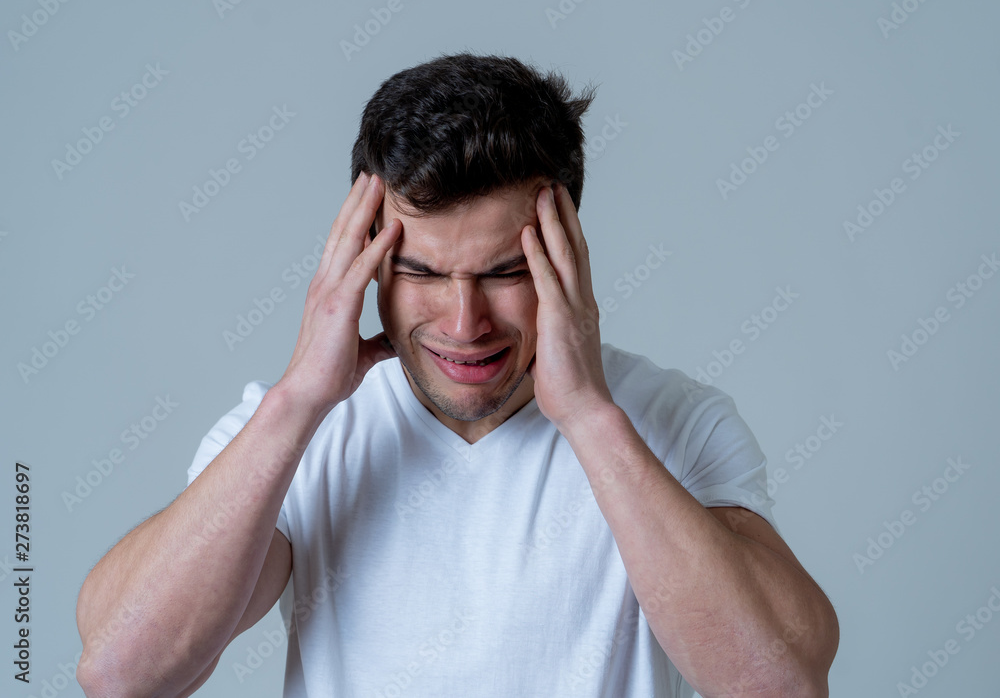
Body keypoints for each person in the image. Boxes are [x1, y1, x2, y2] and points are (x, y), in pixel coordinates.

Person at [75, 51, 839, 697]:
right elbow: (120, 670)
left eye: (506, 271)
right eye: (422, 272)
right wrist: (299, 401)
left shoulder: (676, 420)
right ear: (365, 263)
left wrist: (588, 417)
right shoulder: (291, 432)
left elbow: (778, 682)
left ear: (567, 254)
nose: (464, 321)